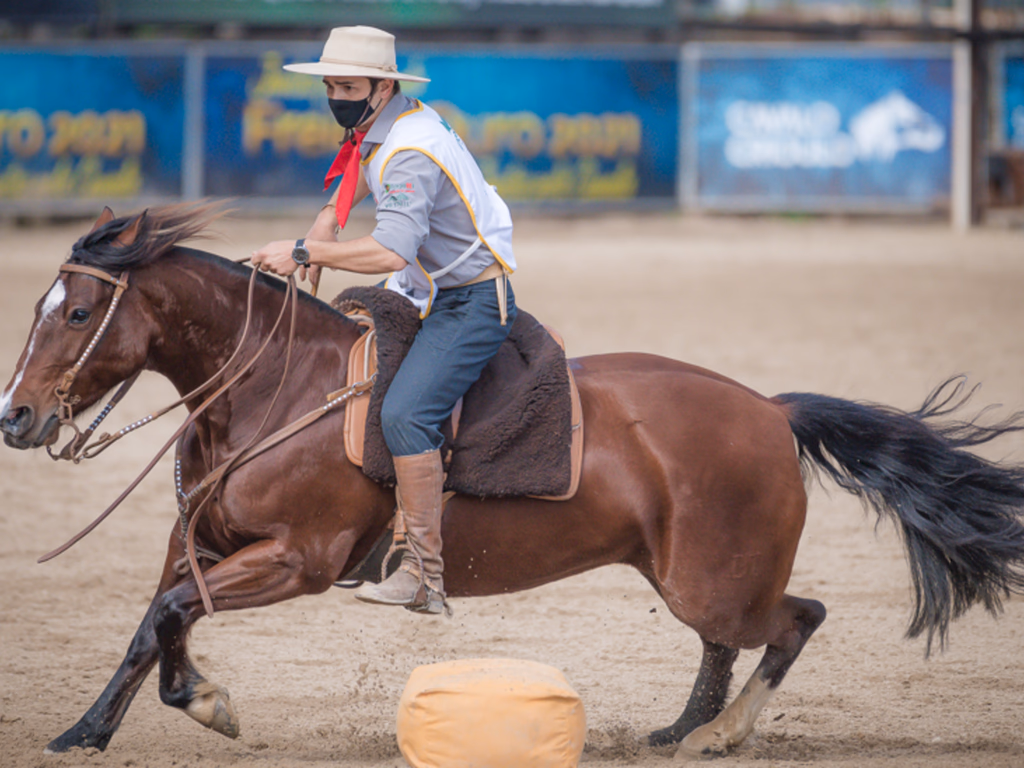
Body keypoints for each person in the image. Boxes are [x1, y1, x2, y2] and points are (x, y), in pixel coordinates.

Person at [251, 26, 517, 615]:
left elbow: (390, 251)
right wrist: (324, 221)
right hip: (431, 291)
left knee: (404, 414)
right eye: (331, 85)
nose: (337, 96)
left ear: (382, 86)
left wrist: (305, 251)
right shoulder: (393, 124)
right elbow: (356, 169)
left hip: (469, 302)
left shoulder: (408, 151)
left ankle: (426, 576)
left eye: (348, 85)